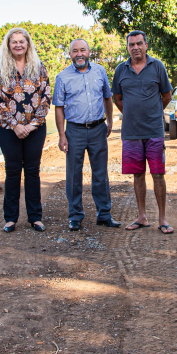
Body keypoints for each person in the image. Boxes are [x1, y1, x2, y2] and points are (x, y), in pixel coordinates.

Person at [54, 39, 120, 230]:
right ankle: (75, 216)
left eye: (83, 50)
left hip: (98, 129)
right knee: (74, 175)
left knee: (100, 174)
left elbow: (107, 97)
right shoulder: (62, 77)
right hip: (74, 130)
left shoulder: (100, 71)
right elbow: (59, 107)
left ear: (89, 52)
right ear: (70, 54)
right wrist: (61, 135)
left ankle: (104, 214)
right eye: (75, 51)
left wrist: (110, 121)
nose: (79, 54)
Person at [112, 30, 174, 234]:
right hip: (131, 132)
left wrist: (152, 113)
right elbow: (118, 99)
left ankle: (162, 219)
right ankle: (142, 216)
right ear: (127, 47)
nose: (135, 47)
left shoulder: (157, 66)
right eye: (131, 44)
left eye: (139, 43)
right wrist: (131, 114)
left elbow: (166, 95)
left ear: (146, 45)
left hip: (154, 131)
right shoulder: (121, 69)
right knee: (137, 175)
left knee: (158, 174)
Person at [0, 28, 51, 232]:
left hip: (35, 128)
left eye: (21, 41)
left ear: (28, 44)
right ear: (8, 45)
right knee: (13, 171)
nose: (18, 45)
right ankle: (10, 218)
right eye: (13, 42)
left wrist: (31, 125)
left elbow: (46, 97)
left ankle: (35, 217)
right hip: (9, 130)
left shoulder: (39, 67)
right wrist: (16, 126)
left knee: (33, 171)